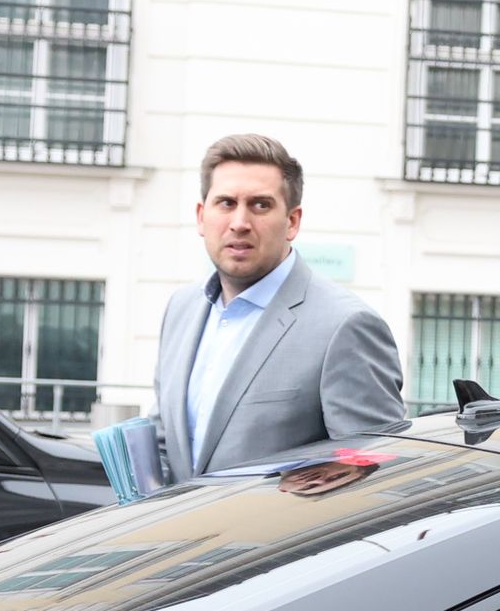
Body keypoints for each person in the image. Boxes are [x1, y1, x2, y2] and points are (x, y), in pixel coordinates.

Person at [152, 133, 403, 480]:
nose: (239, 222)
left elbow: (373, 474)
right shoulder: (181, 309)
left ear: (292, 222)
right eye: (225, 203)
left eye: (260, 205)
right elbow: (168, 440)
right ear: (201, 216)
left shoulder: (345, 325)